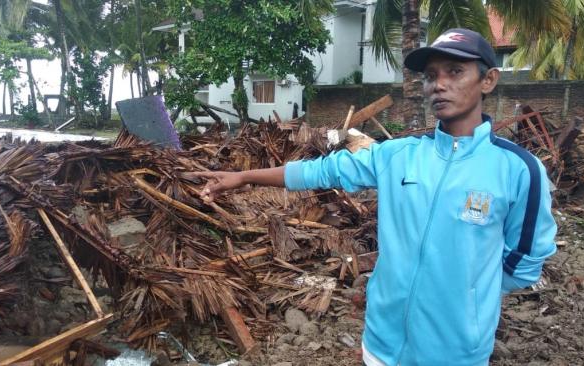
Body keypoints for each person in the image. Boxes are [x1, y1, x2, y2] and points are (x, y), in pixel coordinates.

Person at [191, 28, 557, 365]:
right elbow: (322, 170)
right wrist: (242, 177)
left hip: (456, 353)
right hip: (381, 344)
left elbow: (526, 260)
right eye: (431, 76)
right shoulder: (398, 155)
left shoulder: (518, 169)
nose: (438, 85)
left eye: (454, 71)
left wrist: (469, 294)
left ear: (488, 79)